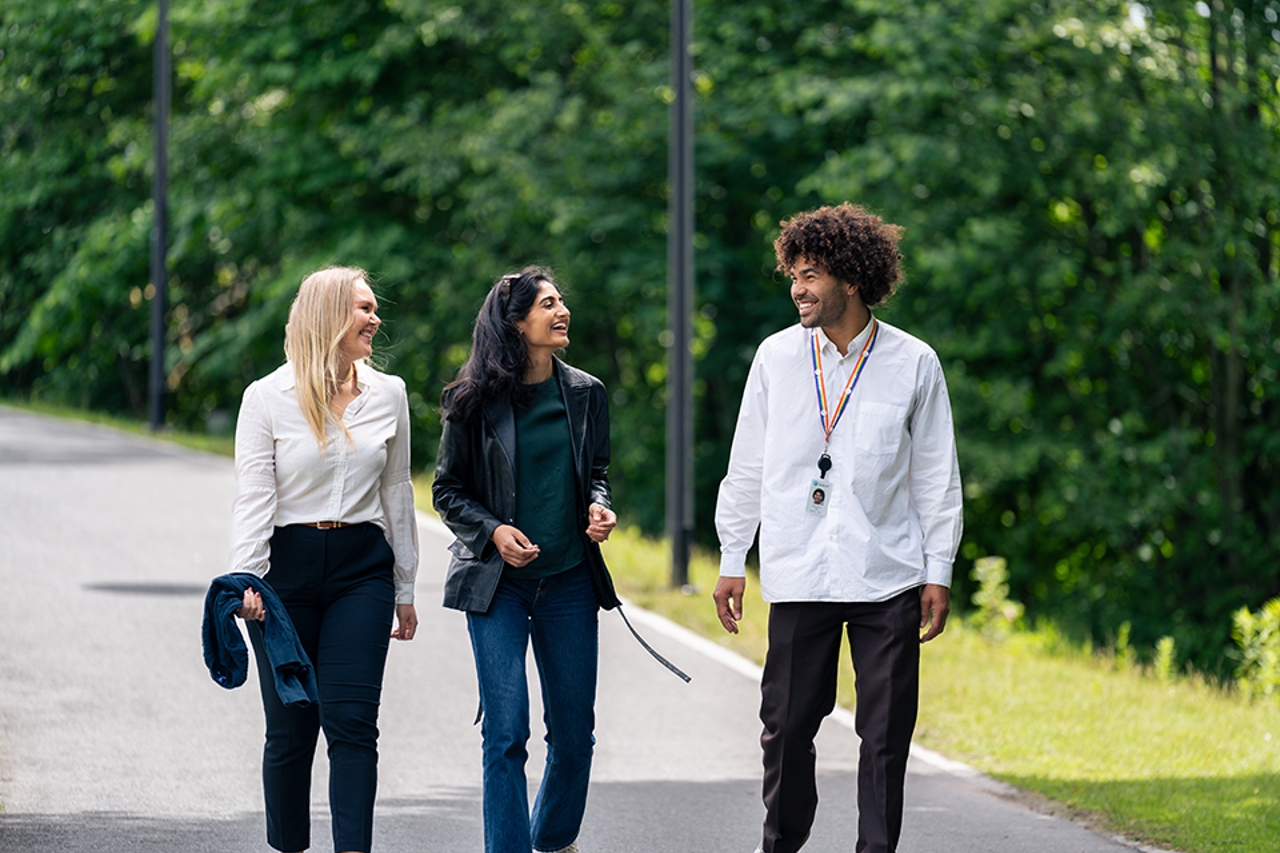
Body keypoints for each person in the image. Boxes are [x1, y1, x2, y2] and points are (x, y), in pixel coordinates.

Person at [713, 203, 963, 853]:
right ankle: (783, 842)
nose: (797, 287)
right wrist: (732, 555)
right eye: (793, 274)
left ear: (851, 278)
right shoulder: (774, 359)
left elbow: (937, 477)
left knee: (885, 736)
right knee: (787, 728)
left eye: (811, 274)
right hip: (799, 572)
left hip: (888, 576)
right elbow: (747, 466)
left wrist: (939, 570)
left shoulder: (915, 363)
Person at [227, 266, 419, 853]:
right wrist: (246, 580)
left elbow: (397, 492)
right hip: (284, 573)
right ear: (330, 317)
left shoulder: (390, 394)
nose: (374, 318)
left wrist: (405, 584)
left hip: (362, 571)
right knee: (290, 731)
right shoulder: (266, 399)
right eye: (363, 308)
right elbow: (254, 496)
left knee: (353, 726)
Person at [432, 266, 618, 853]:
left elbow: (598, 474)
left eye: (562, 301)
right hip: (497, 587)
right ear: (516, 322)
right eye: (547, 304)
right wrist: (492, 531)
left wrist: (598, 507)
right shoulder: (473, 400)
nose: (562, 311)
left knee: (574, 738)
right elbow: (446, 490)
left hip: (568, 583)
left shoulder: (587, 393)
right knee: (505, 734)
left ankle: (553, 839)